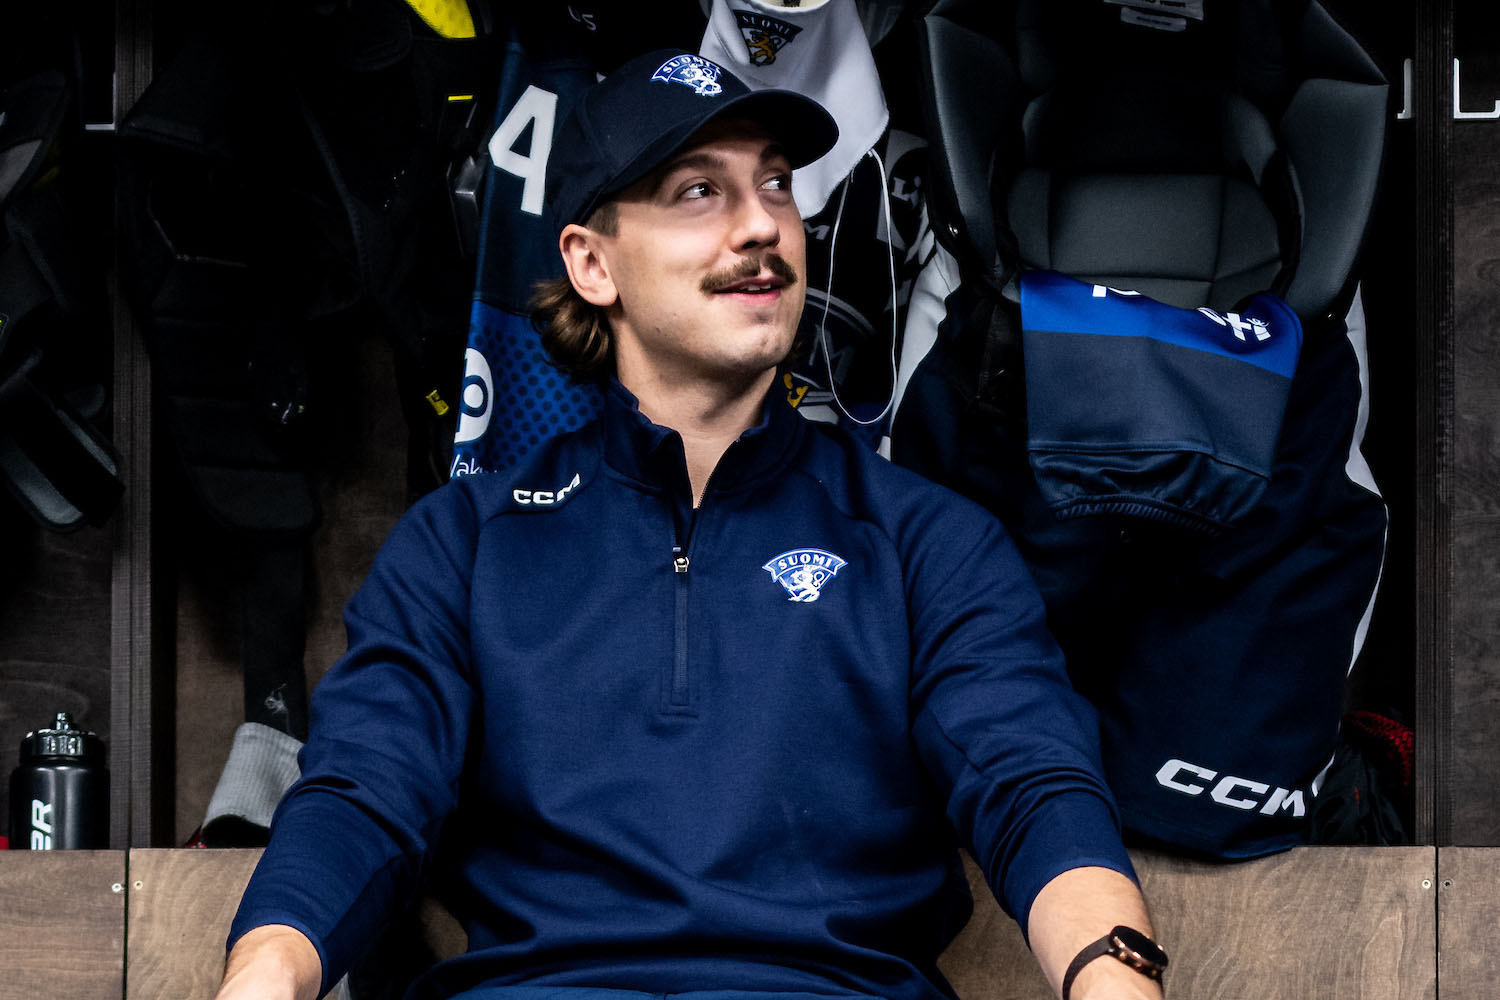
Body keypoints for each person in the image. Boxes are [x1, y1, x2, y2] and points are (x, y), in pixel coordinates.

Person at [214, 50, 1167, 1000]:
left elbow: (1033, 785)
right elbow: (364, 797)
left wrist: (1115, 980)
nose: (763, 226)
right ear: (592, 264)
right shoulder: (462, 545)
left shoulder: (928, 543)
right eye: (699, 192)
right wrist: (261, 981)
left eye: (777, 185)